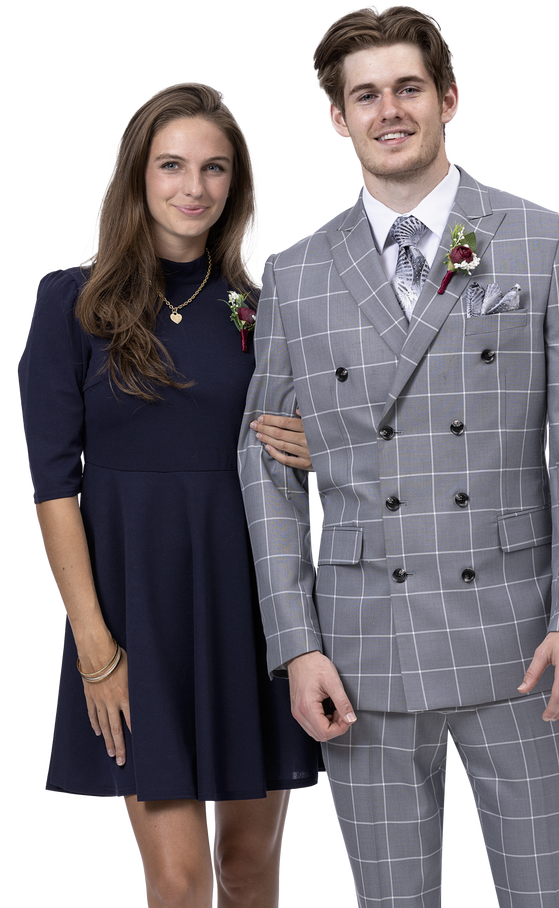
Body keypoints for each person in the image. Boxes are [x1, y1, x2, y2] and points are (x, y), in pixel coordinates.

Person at [238, 5, 559, 907]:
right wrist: (296, 645)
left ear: (450, 98)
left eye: (408, 88)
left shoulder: (548, 239)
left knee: (547, 898)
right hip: (360, 653)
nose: (389, 111)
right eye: (364, 95)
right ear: (337, 117)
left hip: (526, 646)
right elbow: (268, 474)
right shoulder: (293, 274)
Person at [17, 80, 320, 908]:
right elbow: (53, 488)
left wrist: (315, 449)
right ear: (137, 177)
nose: (195, 188)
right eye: (173, 165)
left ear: (237, 185)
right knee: (181, 880)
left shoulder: (264, 310)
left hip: (250, 607)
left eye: (216, 169)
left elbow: (315, 450)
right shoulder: (69, 303)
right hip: (134, 616)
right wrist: (95, 647)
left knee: (253, 871)